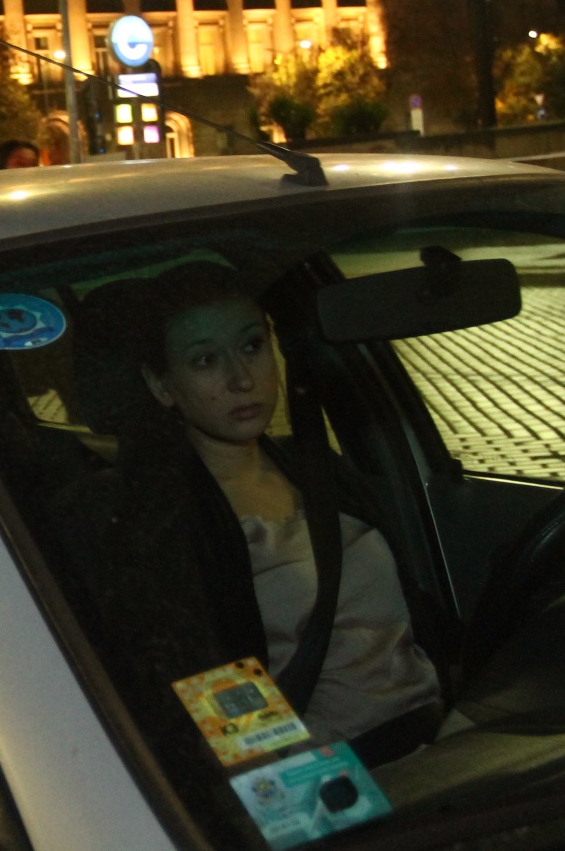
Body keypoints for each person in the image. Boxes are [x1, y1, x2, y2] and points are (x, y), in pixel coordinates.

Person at [75, 260, 442, 764]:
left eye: (251, 346)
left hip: (439, 738)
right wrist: (314, 797)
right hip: (335, 773)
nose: (242, 379)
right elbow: (226, 716)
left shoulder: (321, 470)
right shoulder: (159, 524)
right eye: (205, 360)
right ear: (162, 386)